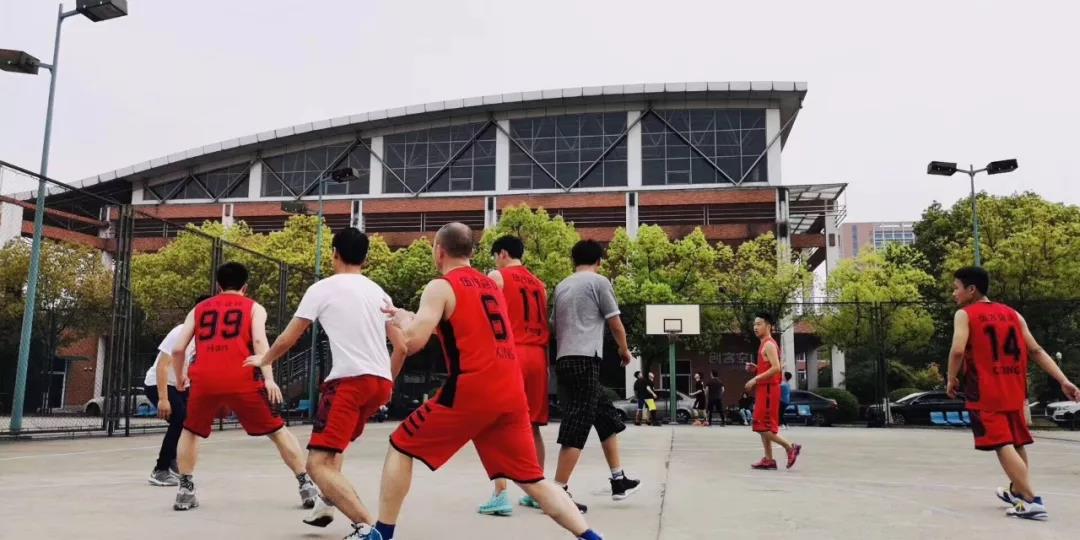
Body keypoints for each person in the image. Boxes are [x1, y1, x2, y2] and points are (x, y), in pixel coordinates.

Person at [378, 223, 605, 540]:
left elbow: (412, 342)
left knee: (400, 446)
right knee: (534, 480)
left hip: (472, 388)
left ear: (439, 251)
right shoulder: (491, 285)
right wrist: (410, 317)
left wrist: (400, 322)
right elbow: (464, 326)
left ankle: (381, 534)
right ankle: (592, 537)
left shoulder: (441, 286)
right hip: (511, 390)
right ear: (471, 252)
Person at [244, 228, 407, 533]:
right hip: (379, 383)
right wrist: (386, 382)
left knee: (316, 464)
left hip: (349, 383)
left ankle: (369, 529)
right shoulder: (379, 292)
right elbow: (402, 347)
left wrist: (264, 359)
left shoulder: (323, 288)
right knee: (335, 446)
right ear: (366, 258)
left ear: (334, 253)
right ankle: (326, 503)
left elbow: (288, 337)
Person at [169, 262, 317, 512]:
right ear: (245, 287)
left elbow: (177, 348)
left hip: (204, 378)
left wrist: (181, 374)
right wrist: (268, 378)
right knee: (277, 429)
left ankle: (185, 489)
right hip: (242, 376)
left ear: (218, 285)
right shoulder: (254, 307)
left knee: (191, 430)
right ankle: (305, 484)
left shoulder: (199, 309)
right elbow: (259, 341)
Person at [946, 266, 1080, 520]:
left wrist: (951, 378)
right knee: (1016, 442)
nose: (954, 293)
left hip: (985, 390)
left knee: (1001, 444)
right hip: (1015, 389)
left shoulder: (964, 314)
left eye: (956, 288)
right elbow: (1036, 350)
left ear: (971, 290)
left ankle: (1031, 500)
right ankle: (1018, 492)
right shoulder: (1013, 314)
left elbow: (957, 350)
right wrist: (1063, 380)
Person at [550, 239, 640, 510]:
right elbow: (615, 322)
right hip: (585, 359)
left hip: (564, 359)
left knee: (606, 417)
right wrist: (624, 350)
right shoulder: (599, 282)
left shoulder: (562, 286)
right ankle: (558, 491)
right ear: (599, 261)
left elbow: (553, 325)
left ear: (573, 260)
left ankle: (618, 479)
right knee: (578, 424)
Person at [476, 235, 554, 516]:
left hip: (511, 353)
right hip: (538, 356)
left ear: (503, 254)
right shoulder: (539, 285)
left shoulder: (497, 276)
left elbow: (486, 316)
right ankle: (538, 492)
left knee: (497, 423)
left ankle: (500, 494)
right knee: (532, 425)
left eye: (495, 256)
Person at [144, 296, 208, 486]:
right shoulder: (180, 332)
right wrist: (163, 399)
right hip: (158, 383)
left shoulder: (206, 337)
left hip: (180, 385)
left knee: (190, 422)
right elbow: (162, 366)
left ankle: (172, 463)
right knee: (180, 417)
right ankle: (160, 470)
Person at [745, 312, 801, 470]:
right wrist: (757, 369)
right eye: (754, 324)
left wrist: (755, 379)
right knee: (762, 426)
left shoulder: (769, 344)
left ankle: (790, 447)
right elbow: (770, 367)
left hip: (769, 390)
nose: (755, 327)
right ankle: (769, 459)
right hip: (765, 389)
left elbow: (776, 368)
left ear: (768, 326)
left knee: (761, 426)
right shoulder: (764, 343)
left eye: (759, 324)